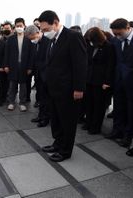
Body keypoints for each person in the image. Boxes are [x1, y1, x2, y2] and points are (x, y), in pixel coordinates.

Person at [39, 10, 87, 162]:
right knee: (57, 119)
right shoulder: (53, 39)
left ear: (55, 22)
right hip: (54, 88)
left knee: (67, 121)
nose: (44, 32)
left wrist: (79, 88)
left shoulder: (73, 37)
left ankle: (65, 150)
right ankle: (57, 143)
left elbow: (80, 64)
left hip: (68, 89)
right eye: (42, 30)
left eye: (46, 29)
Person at [106, 19, 133, 149]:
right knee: (119, 107)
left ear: (128, 28)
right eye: (114, 34)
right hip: (119, 81)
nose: (117, 36)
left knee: (132, 112)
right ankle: (117, 131)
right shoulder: (116, 40)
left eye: (119, 33)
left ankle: (129, 136)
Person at [84, 27, 115, 134]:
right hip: (89, 79)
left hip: (100, 81)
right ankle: (88, 122)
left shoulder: (109, 47)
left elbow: (110, 66)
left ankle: (95, 127)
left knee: (98, 105)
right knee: (89, 103)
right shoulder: (91, 46)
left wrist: (107, 82)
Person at [4, 18, 33, 112]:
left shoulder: (28, 39)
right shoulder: (10, 39)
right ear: (15, 27)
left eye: (21, 25)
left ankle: (22, 103)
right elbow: (6, 53)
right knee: (12, 85)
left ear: (24, 26)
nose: (19, 27)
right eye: (17, 26)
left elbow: (31, 55)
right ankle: (11, 102)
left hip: (24, 66)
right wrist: (6, 65)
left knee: (23, 85)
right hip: (13, 65)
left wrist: (29, 67)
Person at [25, 25, 51, 127]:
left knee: (46, 99)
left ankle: (46, 119)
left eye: (32, 38)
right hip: (39, 75)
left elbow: (47, 59)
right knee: (41, 98)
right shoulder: (36, 43)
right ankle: (40, 116)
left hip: (46, 75)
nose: (32, 40)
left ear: (36, 33)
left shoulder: (47, 41)